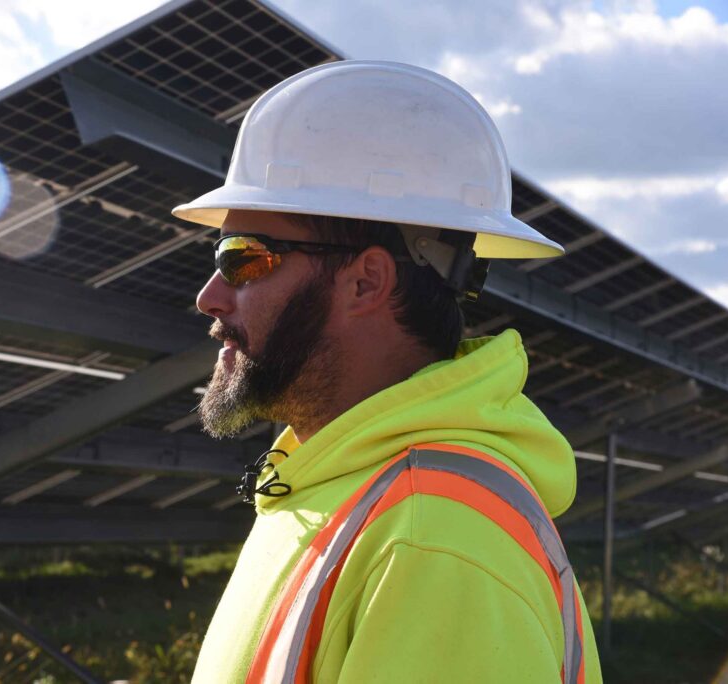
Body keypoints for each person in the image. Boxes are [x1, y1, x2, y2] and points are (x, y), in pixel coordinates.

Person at [171, 61, 602, 683]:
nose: (210, 295)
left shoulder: (434, 541)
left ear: (365, 281)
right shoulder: (328, 485)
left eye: (243, 258)